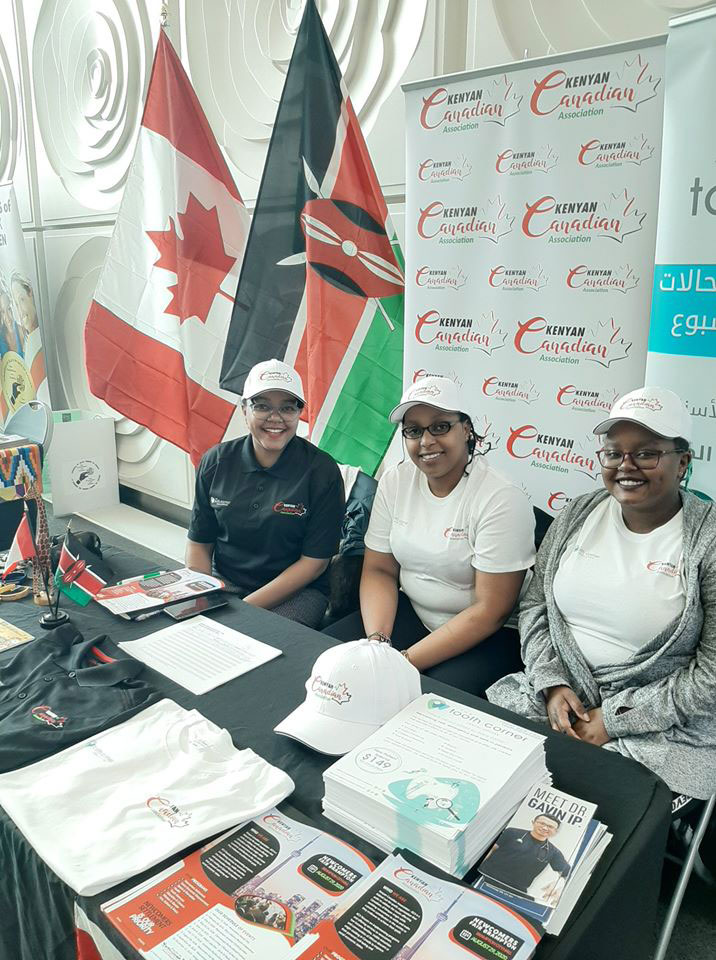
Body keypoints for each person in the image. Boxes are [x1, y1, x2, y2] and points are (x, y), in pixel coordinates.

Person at [488, 386, 716, 800]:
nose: (626, 466)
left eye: (646, 453)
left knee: (576, 807)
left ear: (682, 462)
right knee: (488, 781)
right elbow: (535, 605)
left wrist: (612, 719)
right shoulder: (578, 513)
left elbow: (710, 677)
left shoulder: (709, 541)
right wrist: (552, 683)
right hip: (557, 700)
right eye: (614, 453)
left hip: (660, 726)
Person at [325, 376, 535, 696]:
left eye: (440, 427)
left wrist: (403, 662)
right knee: (330, 659)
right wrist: (377, 642)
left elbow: (490, 611)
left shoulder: (501, 498)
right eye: (413, 430)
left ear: (466, 429)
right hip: (413, 612)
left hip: (489, 634)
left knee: (416, 698)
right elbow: (379, 570)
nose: (426, 441)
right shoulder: (396, 480)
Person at [186, 358, 345, 628]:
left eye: (287, 408)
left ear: (299, 413)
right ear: (244, 409)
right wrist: (202, 595)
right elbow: (199, 544)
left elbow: (314, 564)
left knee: (254, 638)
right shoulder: (216, 462)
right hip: (224, 582)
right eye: (262, 406)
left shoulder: (322, 472)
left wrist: (243, 611)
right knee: (187, 631)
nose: (275, 418)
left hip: (297, 592)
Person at [480, 814, 570, 902]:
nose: (545, 828)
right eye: (542, 823)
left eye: (550, 827)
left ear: (555, 832)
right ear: (533, 822)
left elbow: (567, 873)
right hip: (487, 877)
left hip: (516, 890)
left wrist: (559, 884)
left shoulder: (553, 852)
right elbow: (490, 849)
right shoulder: (512, 832)